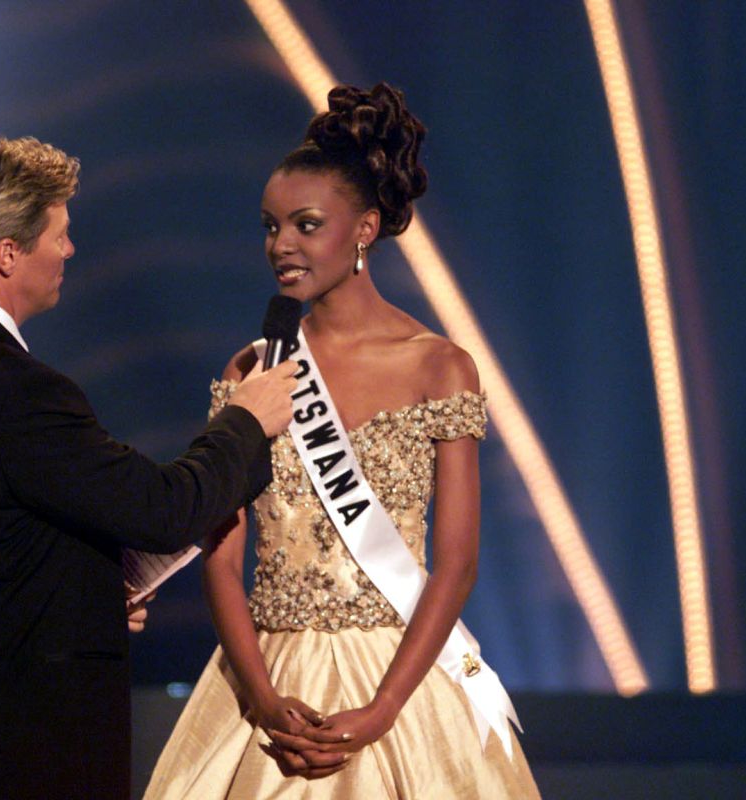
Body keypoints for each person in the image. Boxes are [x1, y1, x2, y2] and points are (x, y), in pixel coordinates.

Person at [0, 133, 298, 800]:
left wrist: (83, 601)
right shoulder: (19, 390)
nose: (68, 250)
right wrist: (246, 418)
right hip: (35, 751)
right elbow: (164, 508)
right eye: (58, 234)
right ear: (8, 253)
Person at [144, 84, 540, 797]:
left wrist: (383, 710)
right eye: (270, 227)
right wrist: (264, 702)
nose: (281, 246)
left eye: (304, 224)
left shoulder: (438, 366)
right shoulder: (253, 369)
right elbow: (221, 561)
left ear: (364, 228)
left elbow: (456, 564)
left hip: (402, 683)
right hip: (267, 681)